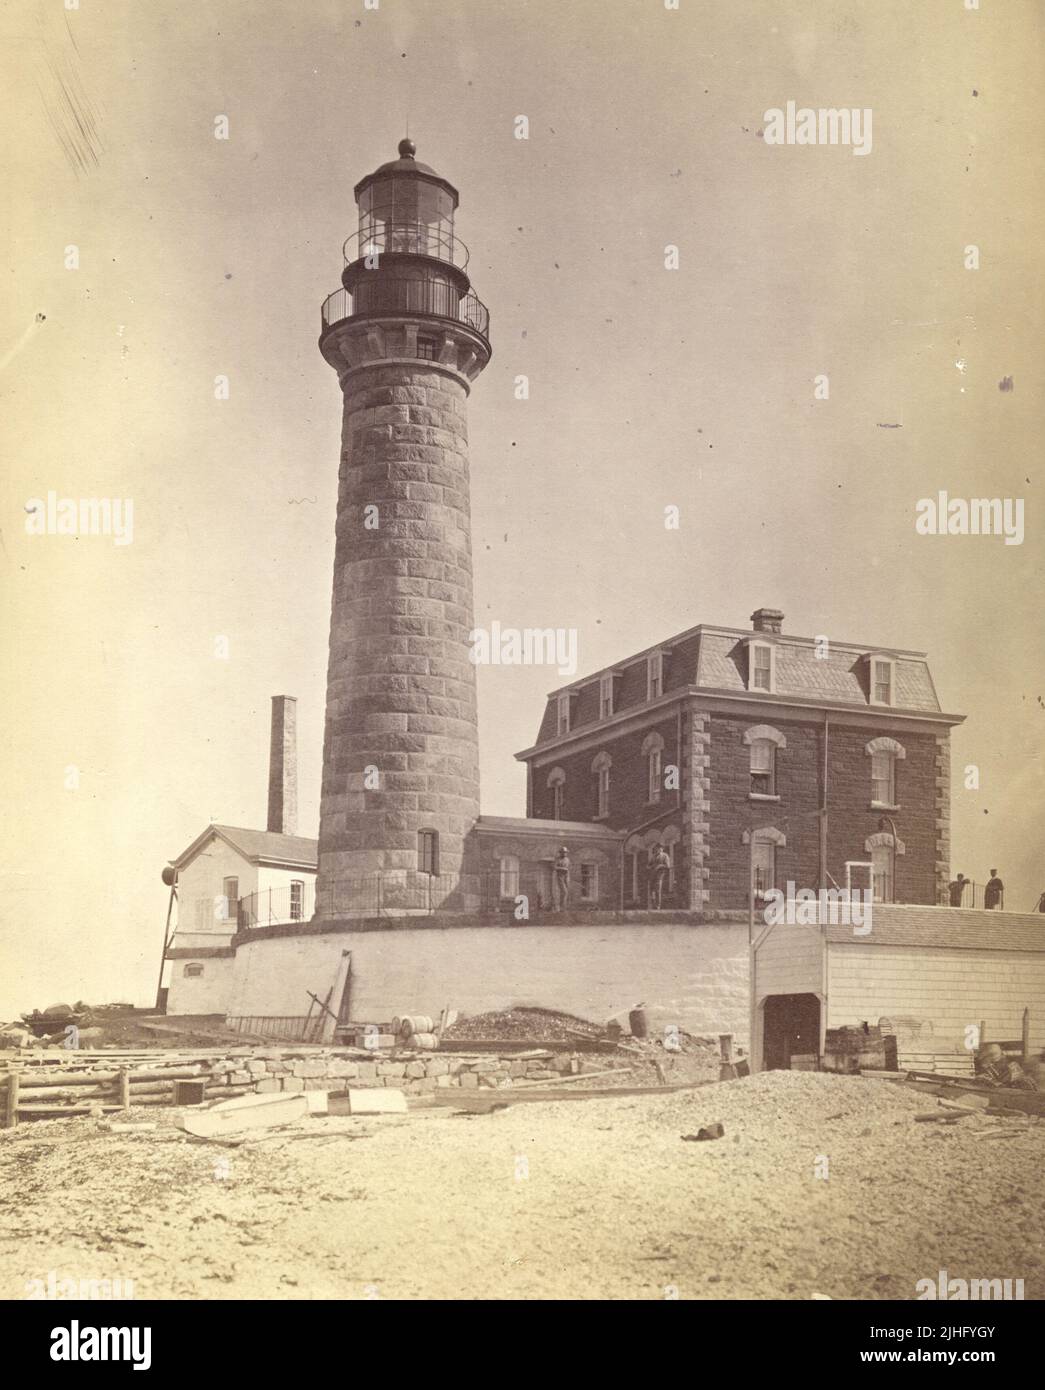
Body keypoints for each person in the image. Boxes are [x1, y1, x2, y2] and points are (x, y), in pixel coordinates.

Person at [649, 843, 671, 909]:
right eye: (657, 848)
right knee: (652, 890)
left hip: (660, 875)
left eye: (660, 848)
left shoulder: (665, 856)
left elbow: (668, 866)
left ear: (662, 849)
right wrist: (650, 867)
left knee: (658, 890)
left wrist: (660, 866)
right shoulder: (653, 856)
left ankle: (658, 905)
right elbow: (649, 865)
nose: (658, 850)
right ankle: (653, 904)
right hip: (652, 874)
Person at [553, 846, 570, 911]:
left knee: (567, 892)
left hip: (566, 876)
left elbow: (568, 868)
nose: (564, 854)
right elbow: (554, 867)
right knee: (564, 892)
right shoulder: (557, 859)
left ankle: (564, 907)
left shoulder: (567, 860)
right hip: (560, 877)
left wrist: (568, 876)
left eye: (565, 852)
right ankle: (560, 906)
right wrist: (562, 868)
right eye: (563, 852)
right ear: (560, 853)